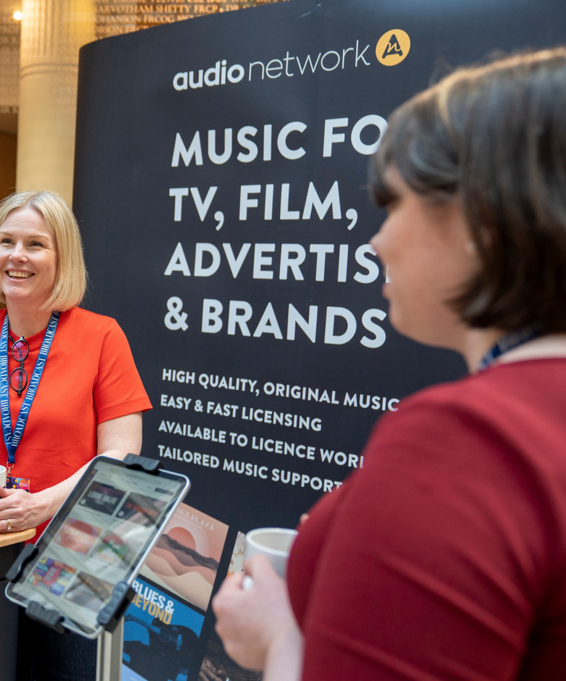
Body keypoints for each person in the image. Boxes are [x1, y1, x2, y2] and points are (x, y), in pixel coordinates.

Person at [212, 48, 566, 681]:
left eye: (395, 203)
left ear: (483, 214)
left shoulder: (468, 440)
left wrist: (277, 638)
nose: (376, 240)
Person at [0, 190, 152, 680]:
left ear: (62, 258)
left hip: (72, 557)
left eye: (35, 244)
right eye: (6, 242)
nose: (16, 255)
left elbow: (122, 454)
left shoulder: (103, 337)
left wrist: (42, 506)